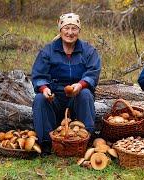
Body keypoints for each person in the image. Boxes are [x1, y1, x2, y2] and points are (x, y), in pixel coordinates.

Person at [31, 13, 101, 155]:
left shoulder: (88, 51)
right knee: (39, 98)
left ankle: (85, 139)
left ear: (79, 31)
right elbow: (39, 75)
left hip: (77, 96)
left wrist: (81, 85)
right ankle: (46, 143)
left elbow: (93, 73)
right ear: (60, 29)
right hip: (55, 96)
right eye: (66, 28)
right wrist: (44, 89)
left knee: (86, 94)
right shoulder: (48, 51)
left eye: (74, 28)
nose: (70, 32)